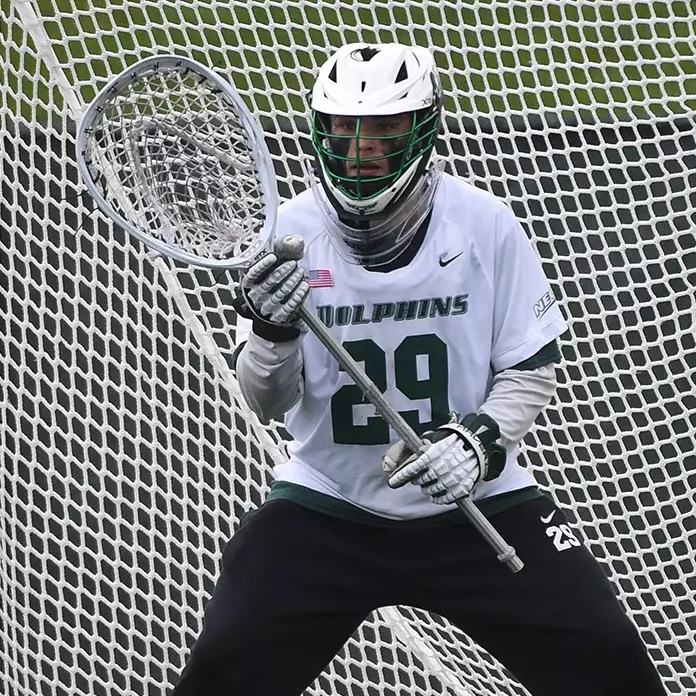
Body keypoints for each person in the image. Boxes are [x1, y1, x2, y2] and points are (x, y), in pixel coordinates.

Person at [171, 43, 667, 696]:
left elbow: (531, 369)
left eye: (383, 128)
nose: (360, 149)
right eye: (344, 127)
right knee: (226, 663)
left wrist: (477, 444)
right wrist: (271, 329)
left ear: (423, 127)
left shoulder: (483, 224)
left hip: (478, 504)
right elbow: (266, 401)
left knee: (609, 659)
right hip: (330, 503)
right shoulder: (288, 230)